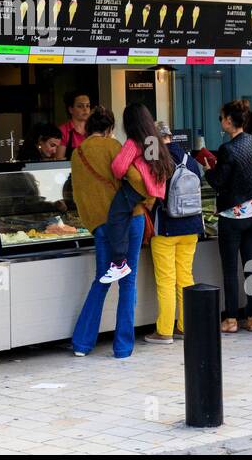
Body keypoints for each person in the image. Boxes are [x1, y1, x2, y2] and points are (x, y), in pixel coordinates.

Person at [70, 106, 147, 358]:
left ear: (88, 127)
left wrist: (93, 223)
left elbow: (78, 193)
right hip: (129, 221)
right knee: (128, 282)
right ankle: (123, 348)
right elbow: (137, 179)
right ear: (110, 128)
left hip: (102, 225)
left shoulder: (77, 153)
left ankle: (82, 344)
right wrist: (143, 200)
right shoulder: (115, 148)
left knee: (102, 280)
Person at [208, 100, 252, 332]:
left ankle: (232, 319)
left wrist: (207, 170)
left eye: (221, 117)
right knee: (251, 267)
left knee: (230, 269)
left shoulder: (228, 149)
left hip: (232, 217)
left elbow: (219, 181)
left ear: (228, 121)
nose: (221, 121)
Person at [145, 120, 204, 344]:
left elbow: (152, 194)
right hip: (192, 227)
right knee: (185, 277)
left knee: (166, 280)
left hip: (167, 228)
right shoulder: (190, 159)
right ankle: (185, 326)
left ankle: (164, 331)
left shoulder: (157, 161)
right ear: (170, 136)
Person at [102, 103, 171, 285]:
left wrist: (127, 172)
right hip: (150, 192)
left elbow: (118, 168)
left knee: (116, 217)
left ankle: (118, 263)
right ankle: (121, 262)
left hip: (133, 190)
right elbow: (156, 168)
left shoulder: (133, 143)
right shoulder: (154, 140)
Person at [56, 91, 93, 159]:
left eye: (88, 106)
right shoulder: (63, 131)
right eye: (80, 106)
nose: (85, 109)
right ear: (71, 110)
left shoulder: (94, 130)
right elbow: (59, 161)